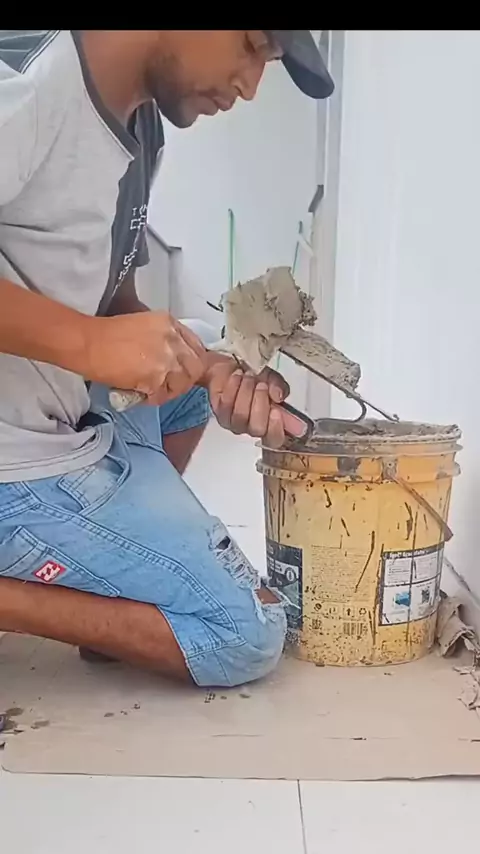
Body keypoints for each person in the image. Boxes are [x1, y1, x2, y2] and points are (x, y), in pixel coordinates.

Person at [0, 31, 334, 687]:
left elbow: (112, 300)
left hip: (57, 409)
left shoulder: (139, 124)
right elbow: (93, 335)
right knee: (242, 633)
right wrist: (90, 344)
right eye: (251, 45)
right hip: (14, 459)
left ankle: (111, 592)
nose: (250, 86)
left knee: (195, 359)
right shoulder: (25, 89)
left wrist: (209, 370)